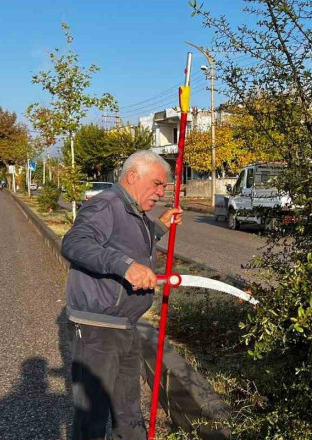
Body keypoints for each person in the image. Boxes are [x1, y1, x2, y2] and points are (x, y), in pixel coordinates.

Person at [61, 150, 183, 440]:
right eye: (156, 184)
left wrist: (160, 226)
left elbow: (127, 243)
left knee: (129, 414)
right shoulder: (106, 205)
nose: (160, 192)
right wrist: (126, 267)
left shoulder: (134, 211)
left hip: (124, 325)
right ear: (132, 176)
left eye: (163, 187)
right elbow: (75, 243)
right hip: (97, 328)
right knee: (92, 418)